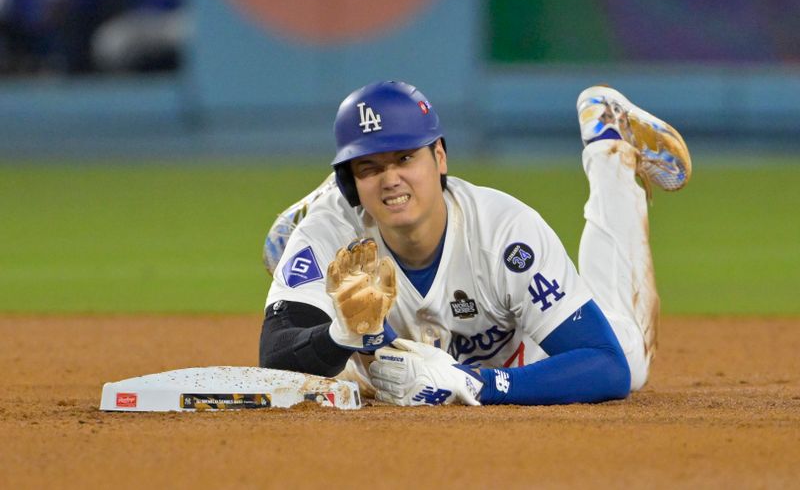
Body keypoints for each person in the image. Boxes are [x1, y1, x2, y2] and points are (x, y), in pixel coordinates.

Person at [259, 80, 691, 406]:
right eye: (368, 168)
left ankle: (609, 149)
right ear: (351, 184)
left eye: (405, 158)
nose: (391, 178)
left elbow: (605, 365)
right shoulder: (332, 236)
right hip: (400, 354)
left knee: (630, 360)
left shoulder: (504, 231)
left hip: (523, 350)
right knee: (322, 282)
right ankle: (318, 226)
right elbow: (275, 356)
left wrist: (476, 385)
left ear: (440, 158)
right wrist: (341, 334)